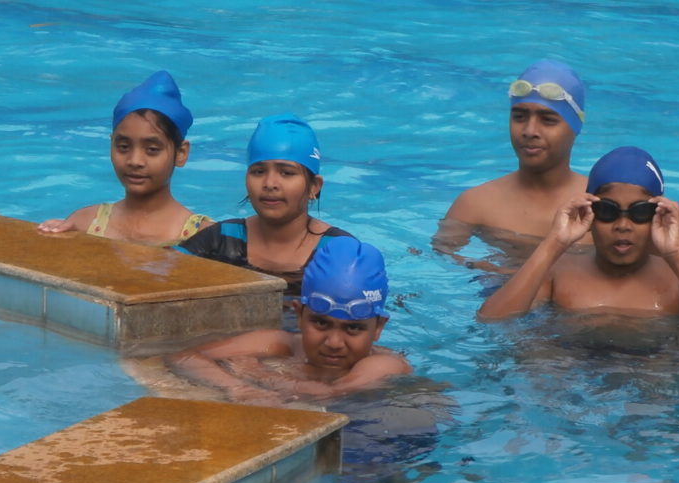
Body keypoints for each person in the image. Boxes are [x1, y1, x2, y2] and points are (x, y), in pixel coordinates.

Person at [479, 146, 679, 334]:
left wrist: (677, 254)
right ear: (589, 213)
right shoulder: (558, 273)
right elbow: (491, 319)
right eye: (608, 211)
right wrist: (554, 243)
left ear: (658, 215)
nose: (622, 225)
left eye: (640, 212)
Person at [169, 236, 410, 406]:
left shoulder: (384, 364)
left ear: (378, 328)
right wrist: (236, 386)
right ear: (299, 314)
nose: (334, 342)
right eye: (321, 324)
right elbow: (183, 356)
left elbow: (329, 393)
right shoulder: (284, 344)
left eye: (354, 328)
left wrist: (257, 373)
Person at [32, 70, 212, 246]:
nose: (134, 161)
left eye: (152, 149)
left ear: (181, 153)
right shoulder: (84, 224)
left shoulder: (203, 237)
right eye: (123, 147)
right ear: (111, 145)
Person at [177, 113, 352, 294]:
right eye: (258, 171)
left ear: (314, 187)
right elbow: (160, 274)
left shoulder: (340, 251)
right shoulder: (220, 239)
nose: (269, 184)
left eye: (286, 173)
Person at [434, 59, 589, 256]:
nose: (530, 130)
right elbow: (436, 262)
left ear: (576, 126)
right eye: (519, 117)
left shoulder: (602, 208)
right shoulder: (475, 205)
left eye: (548, 120)